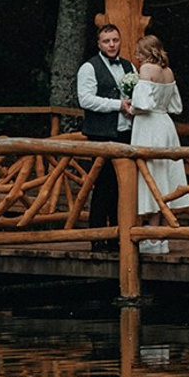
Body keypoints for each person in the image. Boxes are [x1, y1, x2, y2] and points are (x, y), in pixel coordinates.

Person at [128, 34, 189, 248]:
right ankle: (163, 235)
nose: (137, 56)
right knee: (166, 175)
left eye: (139, 52)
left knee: (153, 175)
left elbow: (142, 104)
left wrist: (130, 108)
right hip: (165, 124)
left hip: (150, 126)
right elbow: (175, 106)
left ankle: (154, 236)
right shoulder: (168, 71)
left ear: (148, 52)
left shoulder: (147, 69)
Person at [75, 20, 136, 226]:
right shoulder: (89, 67)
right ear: (99, 44)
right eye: (107, 41)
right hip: (101, 134)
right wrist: (118, 105)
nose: (111, 45)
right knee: (102, 185)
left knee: (122, 186)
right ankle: (98, 234)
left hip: (126, 133)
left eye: (115, 40)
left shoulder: (129, 66)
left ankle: (119, 233)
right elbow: (86, 100)